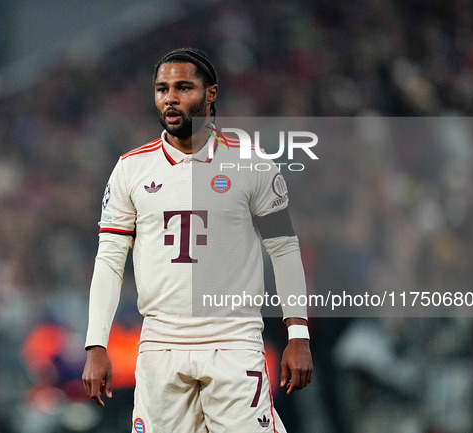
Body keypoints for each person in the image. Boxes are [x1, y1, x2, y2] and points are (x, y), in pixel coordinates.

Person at [82, 47, 312, 433]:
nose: (170, 97)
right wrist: (95, 345)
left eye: (183, 87)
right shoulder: (131, 169)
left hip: (234, 342)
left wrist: (298, 334)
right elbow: (109, 259)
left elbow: (284, 250)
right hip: (160, 347)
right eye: (161, 88)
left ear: (211, 94)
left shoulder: (252, 164)